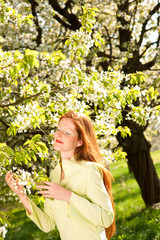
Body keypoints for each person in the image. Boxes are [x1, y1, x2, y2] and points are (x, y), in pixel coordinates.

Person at [5, 111, 116, 240]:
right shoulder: (56, 173)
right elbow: (48, 224)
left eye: (67, 132)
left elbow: (107, 218)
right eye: (59, 129)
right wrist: (22, 195)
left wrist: (67, 196)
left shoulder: (89, 170)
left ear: (79, 141)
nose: (58, 134)